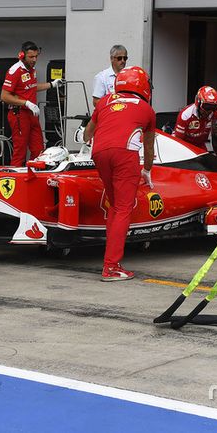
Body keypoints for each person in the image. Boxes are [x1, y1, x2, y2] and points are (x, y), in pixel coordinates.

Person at [82, 66, 156, 281]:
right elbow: (149, 148)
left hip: (99, 153)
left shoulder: (105, 101)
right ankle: (111, 267)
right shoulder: (146, 109)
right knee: (124, 209)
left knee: (115, 207)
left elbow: (88, 133)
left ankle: (111, 261)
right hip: (125, 154)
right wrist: (147, 170)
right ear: (142, 85)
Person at [1, 41, 62, 167]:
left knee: (38, 149)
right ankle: (15, 181)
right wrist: (26, 103)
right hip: (19, 114)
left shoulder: (31, 69)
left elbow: (31, 87)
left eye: (36, 56)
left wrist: (52, 84)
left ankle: (36, 176)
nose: (34, 60)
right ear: (22, 56)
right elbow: (4, 96)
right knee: (20, 151)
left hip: (32, 114)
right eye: (31, 57)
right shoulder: (15, 71)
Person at [173, 86, 217, 151]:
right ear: (198, 102)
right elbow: (177, 141)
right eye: (207, 106)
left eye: (213, 107)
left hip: (200, 144)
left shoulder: (215, 111)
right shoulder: (185, 115)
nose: (209, 110)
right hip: (184, 144)